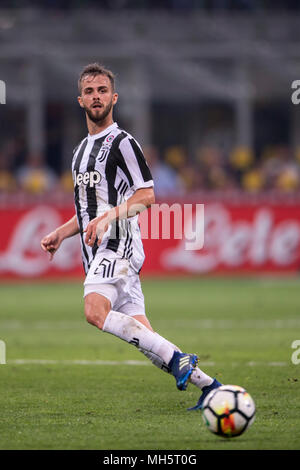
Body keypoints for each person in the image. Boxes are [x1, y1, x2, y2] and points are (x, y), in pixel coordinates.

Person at [40, 63, 221, 410]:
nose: (96, 97)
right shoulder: (79, 152)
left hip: (119, 245)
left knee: (94, 311)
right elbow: (90, 209)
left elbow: (146, 196)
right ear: (80, 100)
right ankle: (212, 387)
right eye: (90, 91)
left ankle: (182, 360)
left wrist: (109, 218)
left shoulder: (122, 142)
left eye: (102, 91)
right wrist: (62, 233)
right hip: (97, 252)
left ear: (114, 98)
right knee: (149, 342)